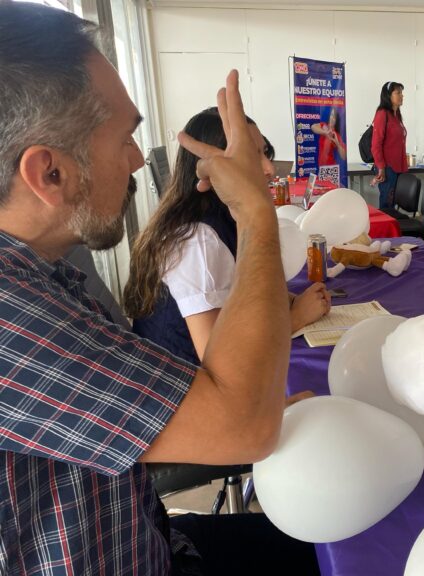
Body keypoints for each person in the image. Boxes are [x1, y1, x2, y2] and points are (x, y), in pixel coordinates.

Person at [0, 4, 319, 574]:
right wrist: (254, 211)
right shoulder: (9, 316)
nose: (134, 161)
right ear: (48, 173)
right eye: (125, 139)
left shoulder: (49, 274)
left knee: (319, 543)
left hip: (148, 534)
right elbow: (244, 427)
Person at [124, 108, 331, 365]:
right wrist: (295, 318)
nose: (269, 168)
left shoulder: (226, 217)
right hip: (181, 391)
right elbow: (221, 364)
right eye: (250, 156)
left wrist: (290, 301)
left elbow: (237, 292)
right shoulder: (197, 240)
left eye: (265, 152)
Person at [370, 81, 408, 209]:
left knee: (393, 202)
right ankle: (386, 228)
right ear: (388, 95)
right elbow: (375, 145)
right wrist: (381, 168)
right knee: (387, 202)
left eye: (401, 93)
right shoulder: (382, 114)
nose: (401, 96)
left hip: (398, 167)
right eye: (398, 93)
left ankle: (393, 227)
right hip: (387, 168)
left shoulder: (396, 116)